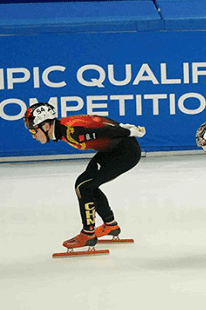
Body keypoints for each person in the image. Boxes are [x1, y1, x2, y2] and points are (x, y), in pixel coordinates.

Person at [24, 102, 144, 249]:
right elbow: (97, 123)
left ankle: (88, 234)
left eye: (33, 131)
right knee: (87, 185)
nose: (33, 136)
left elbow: (104, 131)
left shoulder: (71, 131)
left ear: (46, 126)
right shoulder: (64, 129)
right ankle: (110, 225)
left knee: (84, 185)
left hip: (125, 152)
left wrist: (128, 131)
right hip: (113, 149)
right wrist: (122, 129)